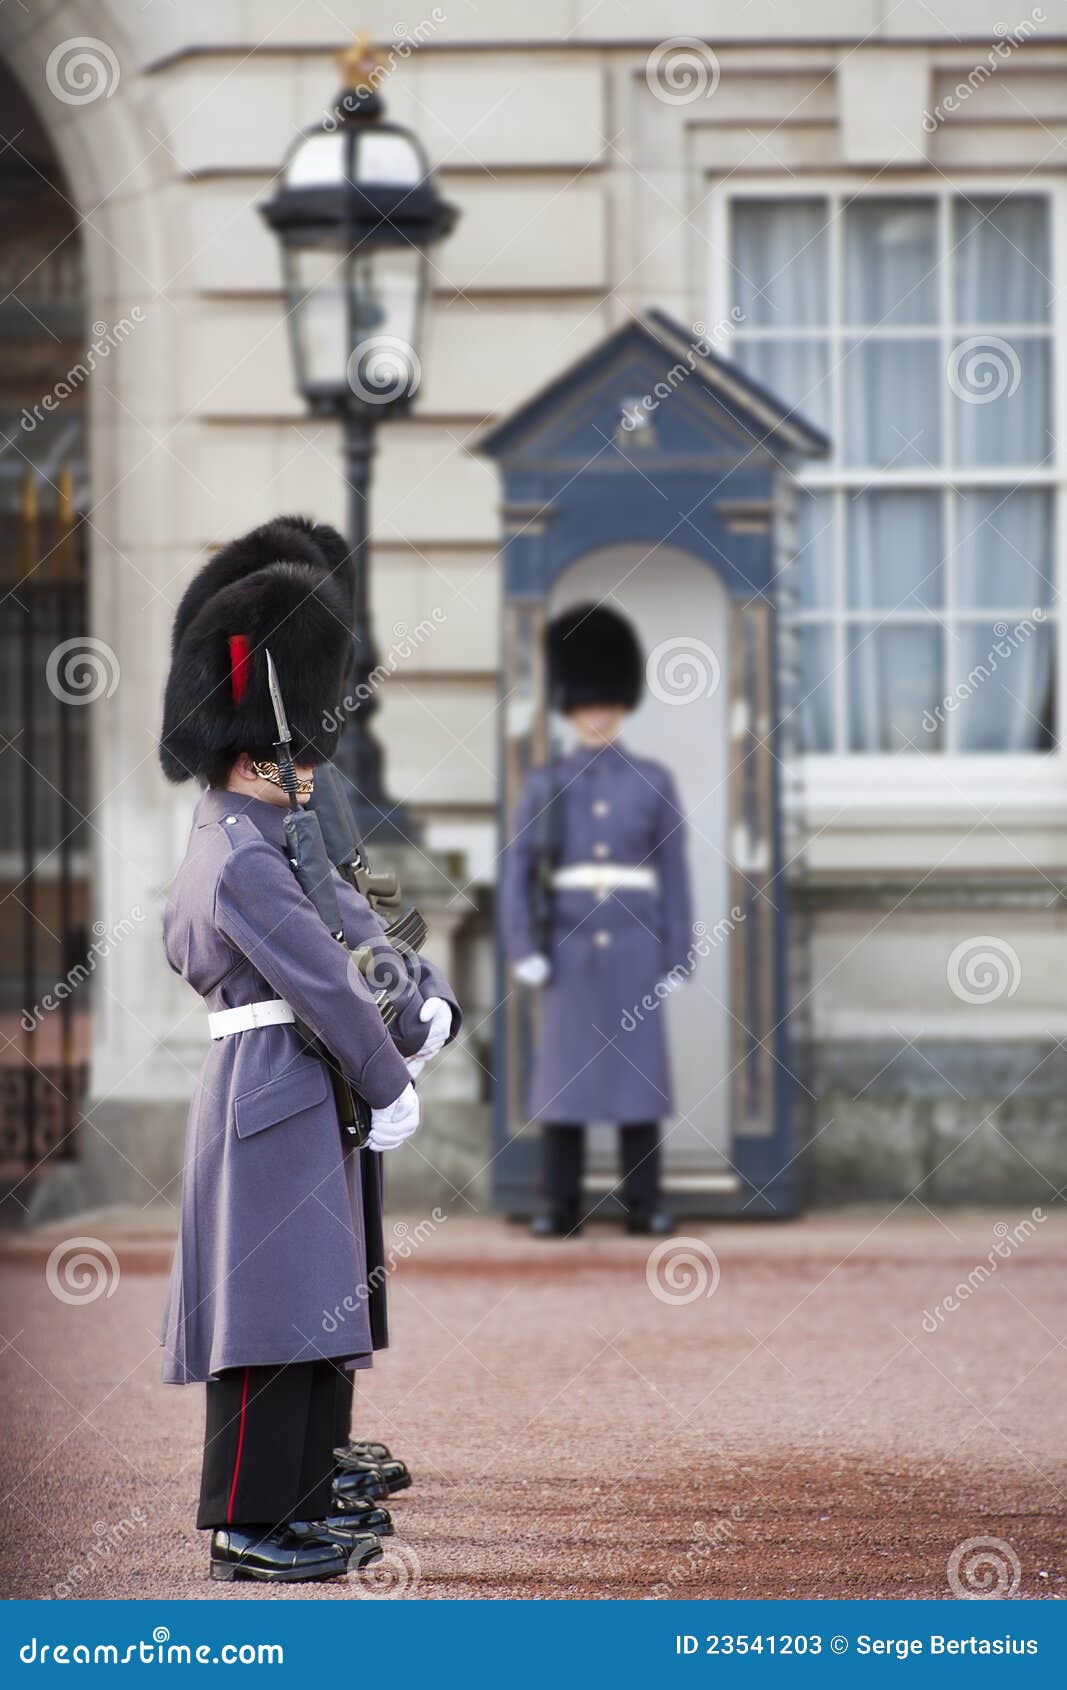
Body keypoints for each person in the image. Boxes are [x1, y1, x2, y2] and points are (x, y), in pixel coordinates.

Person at [157, 515, 460, 1583]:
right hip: (272, 1092)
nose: (312, 777)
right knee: (268, 1320)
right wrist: (387, 1078)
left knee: (311, 1311)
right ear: (260, 749)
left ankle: (295, 1491)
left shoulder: (253, 834)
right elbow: (322, 974)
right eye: (299, 759)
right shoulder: (239, 855)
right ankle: (248, 1522)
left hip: (292, 1092)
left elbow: (347, 922)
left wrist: (416, 1005)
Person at [501, 603, 692, 1238]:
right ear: (571, 707)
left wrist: (677, 952)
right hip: (569, 943)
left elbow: (675, 872)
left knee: (637, 1078)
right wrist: (522, 943)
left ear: (621, 703)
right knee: (566, 1078)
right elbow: (518, 867)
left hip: (636, 943)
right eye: (588, 703)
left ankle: (646, 1200)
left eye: (606, 702)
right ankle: (559, 1201)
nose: (598, 713)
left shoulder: (653, 780)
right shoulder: (546, 784)